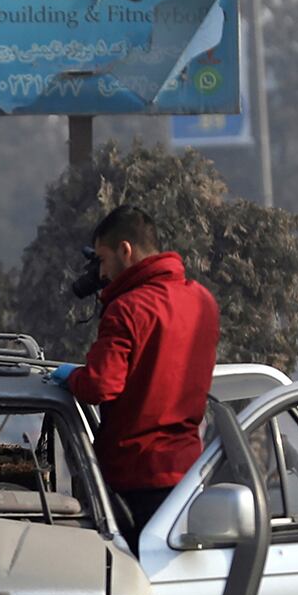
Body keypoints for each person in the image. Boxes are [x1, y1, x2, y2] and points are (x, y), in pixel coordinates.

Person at [53, 205, 219, 551]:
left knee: (132, 585)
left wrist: (72, 378)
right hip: (187, 473)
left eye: (102, 259)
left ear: (125, 250)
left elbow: (100, 385)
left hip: (135, 477)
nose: (101, 273)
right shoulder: (203, 301)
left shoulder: (128, 309)